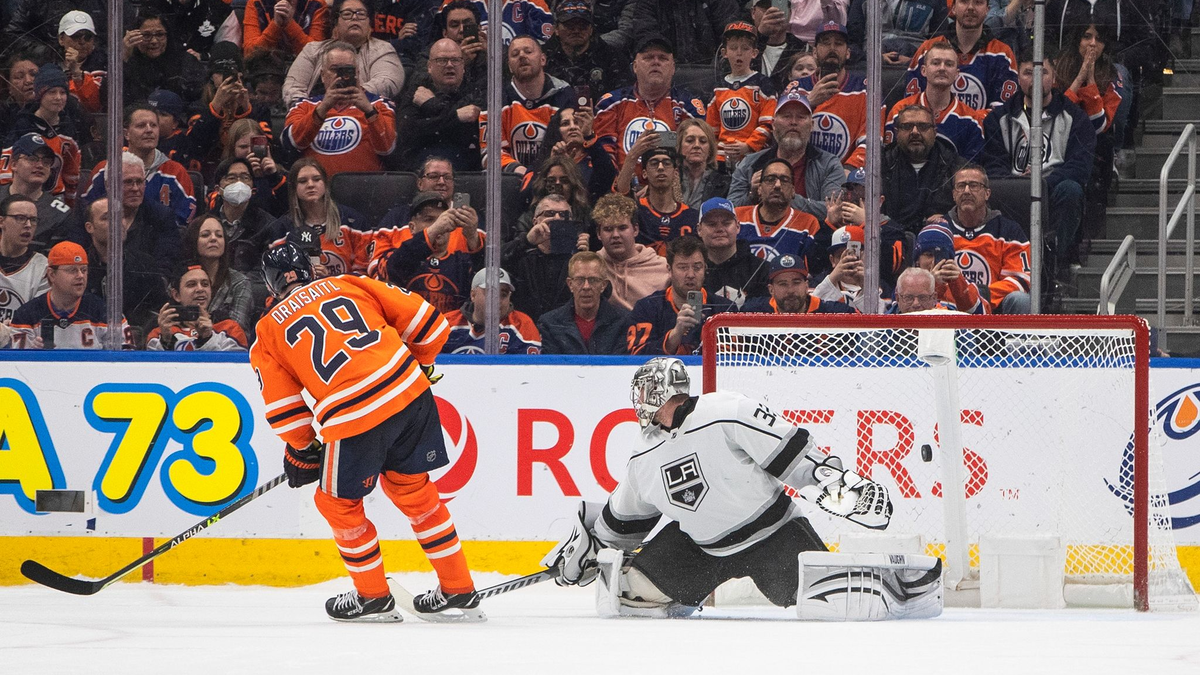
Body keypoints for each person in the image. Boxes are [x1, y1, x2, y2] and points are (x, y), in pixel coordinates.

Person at [542, 357, 898, 618]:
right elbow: (625, 521)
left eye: (643, 391)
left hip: (774, 538)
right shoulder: (644, 453)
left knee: (836, 605)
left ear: (658, 391)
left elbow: (789, 453)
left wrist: (832, 480)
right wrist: (591, 545)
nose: (638, 400)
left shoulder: (726, 410)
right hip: (701, 551)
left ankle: (896, 585)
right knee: (629, 594)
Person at [250, 242, 480, 621]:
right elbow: (431, 324)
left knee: (337, 504)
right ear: (307, 270)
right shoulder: (351, 283)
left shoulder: (267, 330)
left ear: (272, 286)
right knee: (414, 490)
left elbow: (285, 412)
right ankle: (458, 588)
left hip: (354, 415)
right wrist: (419, 364)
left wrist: (303, 450)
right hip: (410, 394)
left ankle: (372, 597)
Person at [982, 56, 1094, 283]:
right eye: (1027, 72)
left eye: (1042, 72)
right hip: (1012, 194)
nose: (1035, 78)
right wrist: (1020, 186)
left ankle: (1053, 265)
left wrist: (1042, 183)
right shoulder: (998, 118)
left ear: (1053, 78)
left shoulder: (1075, 117)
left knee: (1071, 190)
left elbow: (1080, 167)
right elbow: (992, 165)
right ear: (1017, 78)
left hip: (1053, 190)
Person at [283, 40, 397, 176]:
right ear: (323, 75)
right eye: (335, 69)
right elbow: (290, 145)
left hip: (364, 188)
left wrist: (369, 111)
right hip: (318, 191)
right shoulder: (304, 106)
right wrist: (323, 108)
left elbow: (388, 149)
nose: (341, 76)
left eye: (348, 70)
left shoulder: (379, 104)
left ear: (357, 73)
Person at [593, 34, 705, 170]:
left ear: (673, 68)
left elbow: (698, 154)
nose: (656, 62)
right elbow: (603, 155)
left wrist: (662, 183)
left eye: (663, 58)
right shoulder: (610, 103)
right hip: (621, 188)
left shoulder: (688, 105)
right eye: (648, 57)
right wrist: (621, 186)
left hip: (673, 187)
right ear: (635, 66)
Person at [727, 92, 842, 222]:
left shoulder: (829, 164)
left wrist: (783, 195)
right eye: (786, 116)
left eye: (801, 117)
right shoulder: (750, 163)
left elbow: (834, 212)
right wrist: (753, 195)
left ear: (812, 126)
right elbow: (729, 212)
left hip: (811, 238)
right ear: (774, 124)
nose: (793, 122)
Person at [82, 104, 197, 227]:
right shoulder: (105, 170)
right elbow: (86, 213)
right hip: (111, 242)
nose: (149, 130)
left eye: (153, 125)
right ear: (126, 134)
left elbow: (184, 221)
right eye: (141, 126)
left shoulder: (176, 172)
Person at [372, 191, 483, 315]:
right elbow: (395, 267)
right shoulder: (394, 256)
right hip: (406, 330)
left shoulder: (462, 263)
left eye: (444, 219)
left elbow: (487, 282)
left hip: (451, 331)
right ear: (412, 227)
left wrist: (472, 236)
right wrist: (434, 229)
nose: (441, 224)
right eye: (429, 219)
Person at [478, 35, 574, 174]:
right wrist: (519, 171)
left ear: (543, 59)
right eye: (515, 54)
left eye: (528, 51)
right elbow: (489, 153)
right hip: (511, 180)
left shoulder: (564, 94)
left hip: (554, 176)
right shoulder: (495, 98)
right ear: (509, 66)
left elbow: (572, 145)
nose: (522, 56)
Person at [626, 236, 736, 356]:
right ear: (669, 269)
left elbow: (732, 358)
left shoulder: (725, 309)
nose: (690, 274)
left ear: (705, 268)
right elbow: (636, 356)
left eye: (697, 267)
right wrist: (675, 334)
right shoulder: (647, 308)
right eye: (683, 267)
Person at [9, 241, 131, 349]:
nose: (80, 276)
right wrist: (32, 353)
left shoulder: (107, 313)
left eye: (83, 270)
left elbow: (126, 360)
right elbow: (18, 366)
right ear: (52, 274)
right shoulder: (26, 315)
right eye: (72, 270)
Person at [944, 165, 1032, 313]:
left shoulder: (1009, 231)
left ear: (987, 193)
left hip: (994, 309)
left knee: (1020, 299)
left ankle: (1016, 337)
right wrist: (963, 297)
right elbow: (929, 280)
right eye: (961, 186)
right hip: (949, 308)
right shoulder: (939, 230)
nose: (966, 191)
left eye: (974, 185)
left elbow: (1020, 280)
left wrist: (978, 296)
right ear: (953, 194)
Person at [79, 152, 183, 276]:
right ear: (108, 185)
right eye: (128, 182)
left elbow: (166, 265)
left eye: (139, 182)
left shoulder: (161, 216)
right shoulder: (88, 212)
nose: (135, 188)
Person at [283, 0, 406, 105]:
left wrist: (344, 100)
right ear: (336, 22)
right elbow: (293, 86)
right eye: (347, 14)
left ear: (369, 23)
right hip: (313, 115)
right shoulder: (312, 50)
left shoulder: (383, 49)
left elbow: (387, 82)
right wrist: (309, 108)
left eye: (361, 14)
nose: (354, 17)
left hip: (361, 115)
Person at [885, 39, 988, 162]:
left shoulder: (971, 120)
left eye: (949, 64)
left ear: (957, 74)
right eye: (936, 63)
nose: (942, 68)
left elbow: (970, 172)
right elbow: (889, 161)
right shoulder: (899, 111)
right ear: (923, 70)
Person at [904, 0, 1019, 110]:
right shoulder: (928, 50)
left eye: (978, 2)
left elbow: (1003, 111)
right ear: (953, 8)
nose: (970, 8)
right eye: (964, 1)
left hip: (983, 130)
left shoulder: (1002, 54)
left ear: (987, 10)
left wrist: (965, 123)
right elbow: (912, 104)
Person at [268, 158, 374, 277]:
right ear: (294, 188)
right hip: (303, 294)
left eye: (317, 179)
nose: (310, 185)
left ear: (325, 184)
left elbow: (365, 274)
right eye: (303, 181)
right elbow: (280, 278)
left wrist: (330, 280)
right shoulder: (282, 229)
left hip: (347, 293)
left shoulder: (353, 222)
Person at [392, 38, 484, 172]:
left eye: (456, 60)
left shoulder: (474, 90)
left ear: (463, 66)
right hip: (420, 168)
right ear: (429, 66)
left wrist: (432, 105)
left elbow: (469, 134)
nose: (449, 65)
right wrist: (456, 117)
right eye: (441, 60)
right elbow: (407, 131)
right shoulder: (417, 90)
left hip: (465, 169)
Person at [784, 21, 867, 171]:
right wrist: (808, 102)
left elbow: (871, 140)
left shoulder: (865, 90)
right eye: (825, 43)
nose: (832, 48)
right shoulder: (796, 88)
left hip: (846, 174)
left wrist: (848, 170)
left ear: (848, 52)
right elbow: (781, 133)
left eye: (839, 44)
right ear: (814, 52)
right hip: (801, 172)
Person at [80, 197, 169, 335]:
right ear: (89, 227)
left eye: (120, 216)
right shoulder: (79, 267)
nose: (117, 223)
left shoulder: (145, 264)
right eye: (107, 218)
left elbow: (159, 311)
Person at [2, 64, 84, 204]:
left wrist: (70, 204)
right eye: (52, 92)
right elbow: (5, 170)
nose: (58, 97)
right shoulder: (22, 126)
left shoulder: (69, 130)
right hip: (22, 197)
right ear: (39, 94)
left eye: (62, 92)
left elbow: (72, 173)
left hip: (55, 198)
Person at [502, 193, 589, 321]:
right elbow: (489, 264)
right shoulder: (521, 254)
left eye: (564, 215)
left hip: (564, 330)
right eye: (550, 214)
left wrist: (585, 258)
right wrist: (526, 241)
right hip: (527, 328)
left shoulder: (577, 258)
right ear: (535, 221)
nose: (557, 218)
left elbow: (603, 292)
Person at [881, 104, 964, 234]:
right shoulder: (880, 164)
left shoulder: (956, 166)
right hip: (890, 240)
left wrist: (949, 218)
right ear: (897, 132)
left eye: (923, 127)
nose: (915, 132)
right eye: (907, 127)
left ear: (935, 132)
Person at [706, 22, 776, 169]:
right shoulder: (718, 88)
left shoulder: (763, 84)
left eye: (745, 48)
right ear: (724, 53)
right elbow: (711, 128)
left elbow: (768, 123)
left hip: (753, 157)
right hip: (721, 157)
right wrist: (716, 152)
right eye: (733, 48)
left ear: (754, 53)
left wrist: (748, 146)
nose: (739, 53)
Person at [734, 158, 825, 270]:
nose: (777, 185)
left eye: (784, 180)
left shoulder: (808, 223)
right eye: (770, 179)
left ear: (793, 191)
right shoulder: (738, 216)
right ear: (759, 189)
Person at [537, 250, 629, 355]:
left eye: (593, 280)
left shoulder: (623, 322)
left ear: (603, 285)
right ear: (570, 284)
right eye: (580, 280)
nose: (586, 287)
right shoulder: (549, 323)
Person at [593, 193, 669, 312]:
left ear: (636, 230)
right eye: (608, 229)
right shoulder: (593, 267)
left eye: (622, 228)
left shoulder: (663, 267)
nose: (615, 235)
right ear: (598, 234)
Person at [147, 264, 248, 351]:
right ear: (176, 295)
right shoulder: (159, 333)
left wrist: (207, 338)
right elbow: (156, 370)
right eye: (191, 285)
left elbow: (232, 370)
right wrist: (166, 341)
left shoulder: (230, 329)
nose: (200, 289)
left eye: (205, 284)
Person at [209, 157, 280, 282]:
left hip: (251, 290)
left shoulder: (268, 225)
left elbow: (266, 271)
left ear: (252, 188)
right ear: (217, 189)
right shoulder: (205, 225)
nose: (239, 183)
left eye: (245, 178)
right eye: (231, 178)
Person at [442, 267, 542, 354]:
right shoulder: (447, 324)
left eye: (503, 294)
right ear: (473, 295)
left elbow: (526, 372)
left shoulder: (522, 325)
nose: (496, 300)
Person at [531, 107, 617, 206]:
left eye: (577, 122)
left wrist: (589, 136)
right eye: (565, 123)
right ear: (556, 130)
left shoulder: (596, 159)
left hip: (585, 217)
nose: (573, 127)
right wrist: (552, 164)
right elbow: (530, 194)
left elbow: (607, 179)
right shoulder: (542, 160)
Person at [185, 215, 256, 335]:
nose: (213, 239)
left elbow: (237, 330)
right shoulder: (181, 278)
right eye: (205, 235)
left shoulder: (240, 282)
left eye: (219, 235)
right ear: (193, 240)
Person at [0, 134, 71, 252]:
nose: (40, 165)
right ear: (14, 164)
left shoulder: (60, 214)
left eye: (46, 161)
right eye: (32, 159)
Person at [543, 0, 630, 96]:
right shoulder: (541, 58)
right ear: (556, 29)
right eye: (569, 25)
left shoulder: (613, 58)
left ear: (591, 29)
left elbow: (623, 99)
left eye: (582, 26)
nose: (576, 30)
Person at [696, 197, 768, 309]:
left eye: (726, 223)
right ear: (699, 230)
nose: (720, 229)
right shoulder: (692, 271)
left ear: (738, 226)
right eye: (712, 224)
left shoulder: (761, 269)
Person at [122, 10, 206, 103]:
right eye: (146, 35)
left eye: (160, 34)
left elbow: (197, 98)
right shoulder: (127, 63)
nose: (154, 41)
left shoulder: (186, 61)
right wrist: (123, 58)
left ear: (168, 36)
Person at [629, 147, 698, 255]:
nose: (660, 167)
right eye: (654, 163)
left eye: (666, 163)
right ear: (644, 173)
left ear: (675, 173)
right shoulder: (635, 213)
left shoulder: (692, 216)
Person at [911, 222, 987, 314]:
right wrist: (932, 285)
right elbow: (902, 316)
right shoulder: (905, 284)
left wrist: (958, 284)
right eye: (928, 255)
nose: (933, 261)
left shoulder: (964, 284)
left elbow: (983, 317)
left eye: (940, 255)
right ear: (917, 260)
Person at [742, 253, 857, 314]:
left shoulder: (836, 313)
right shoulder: (753, 311)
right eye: (783, 284)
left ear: (806, 286)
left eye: (796, 282)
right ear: (771, 289)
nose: (790, 290)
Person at [217, 120, 287, 217]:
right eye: (243, 147)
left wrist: (273, 177)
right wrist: (249, 175)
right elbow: (217, 207)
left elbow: (289, 209)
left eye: (255, 146)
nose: (250, 151)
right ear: (233, 148)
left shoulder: (280, 175)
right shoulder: (223, 175)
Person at [0, 195, 49, 324]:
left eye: (33, 220)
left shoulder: (43, 267)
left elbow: (37, 320)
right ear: (1, 222)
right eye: (20, 218)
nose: (28, 225)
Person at [57, 11, 107, 114]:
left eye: (87, 37)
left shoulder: (104, 65)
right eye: (76, 36)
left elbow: (94, 106)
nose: (82, 42)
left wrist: (76, 72)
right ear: (61, 39)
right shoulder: (48, 63)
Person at [243, 0, 330, 58]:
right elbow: (250, 53)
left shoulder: (317, 4)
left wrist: (290, 24)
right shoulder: (256, 3)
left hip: (305, 70)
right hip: (265, 71)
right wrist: (275, 25)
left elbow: (316, 54)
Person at [676, 119, 730, 211]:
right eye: (690, 141)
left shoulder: (724, 183)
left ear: (710, 149)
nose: (697, 145)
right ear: (679, 146)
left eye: (703, 141)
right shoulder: (668, 178)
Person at [749, 0, 808, 84]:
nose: (772, 13)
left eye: (780, 7)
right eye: (766, 7)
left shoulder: (804, 49)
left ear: (790, 13)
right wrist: (761, 37)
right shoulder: (738, 46)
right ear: (753, 12)